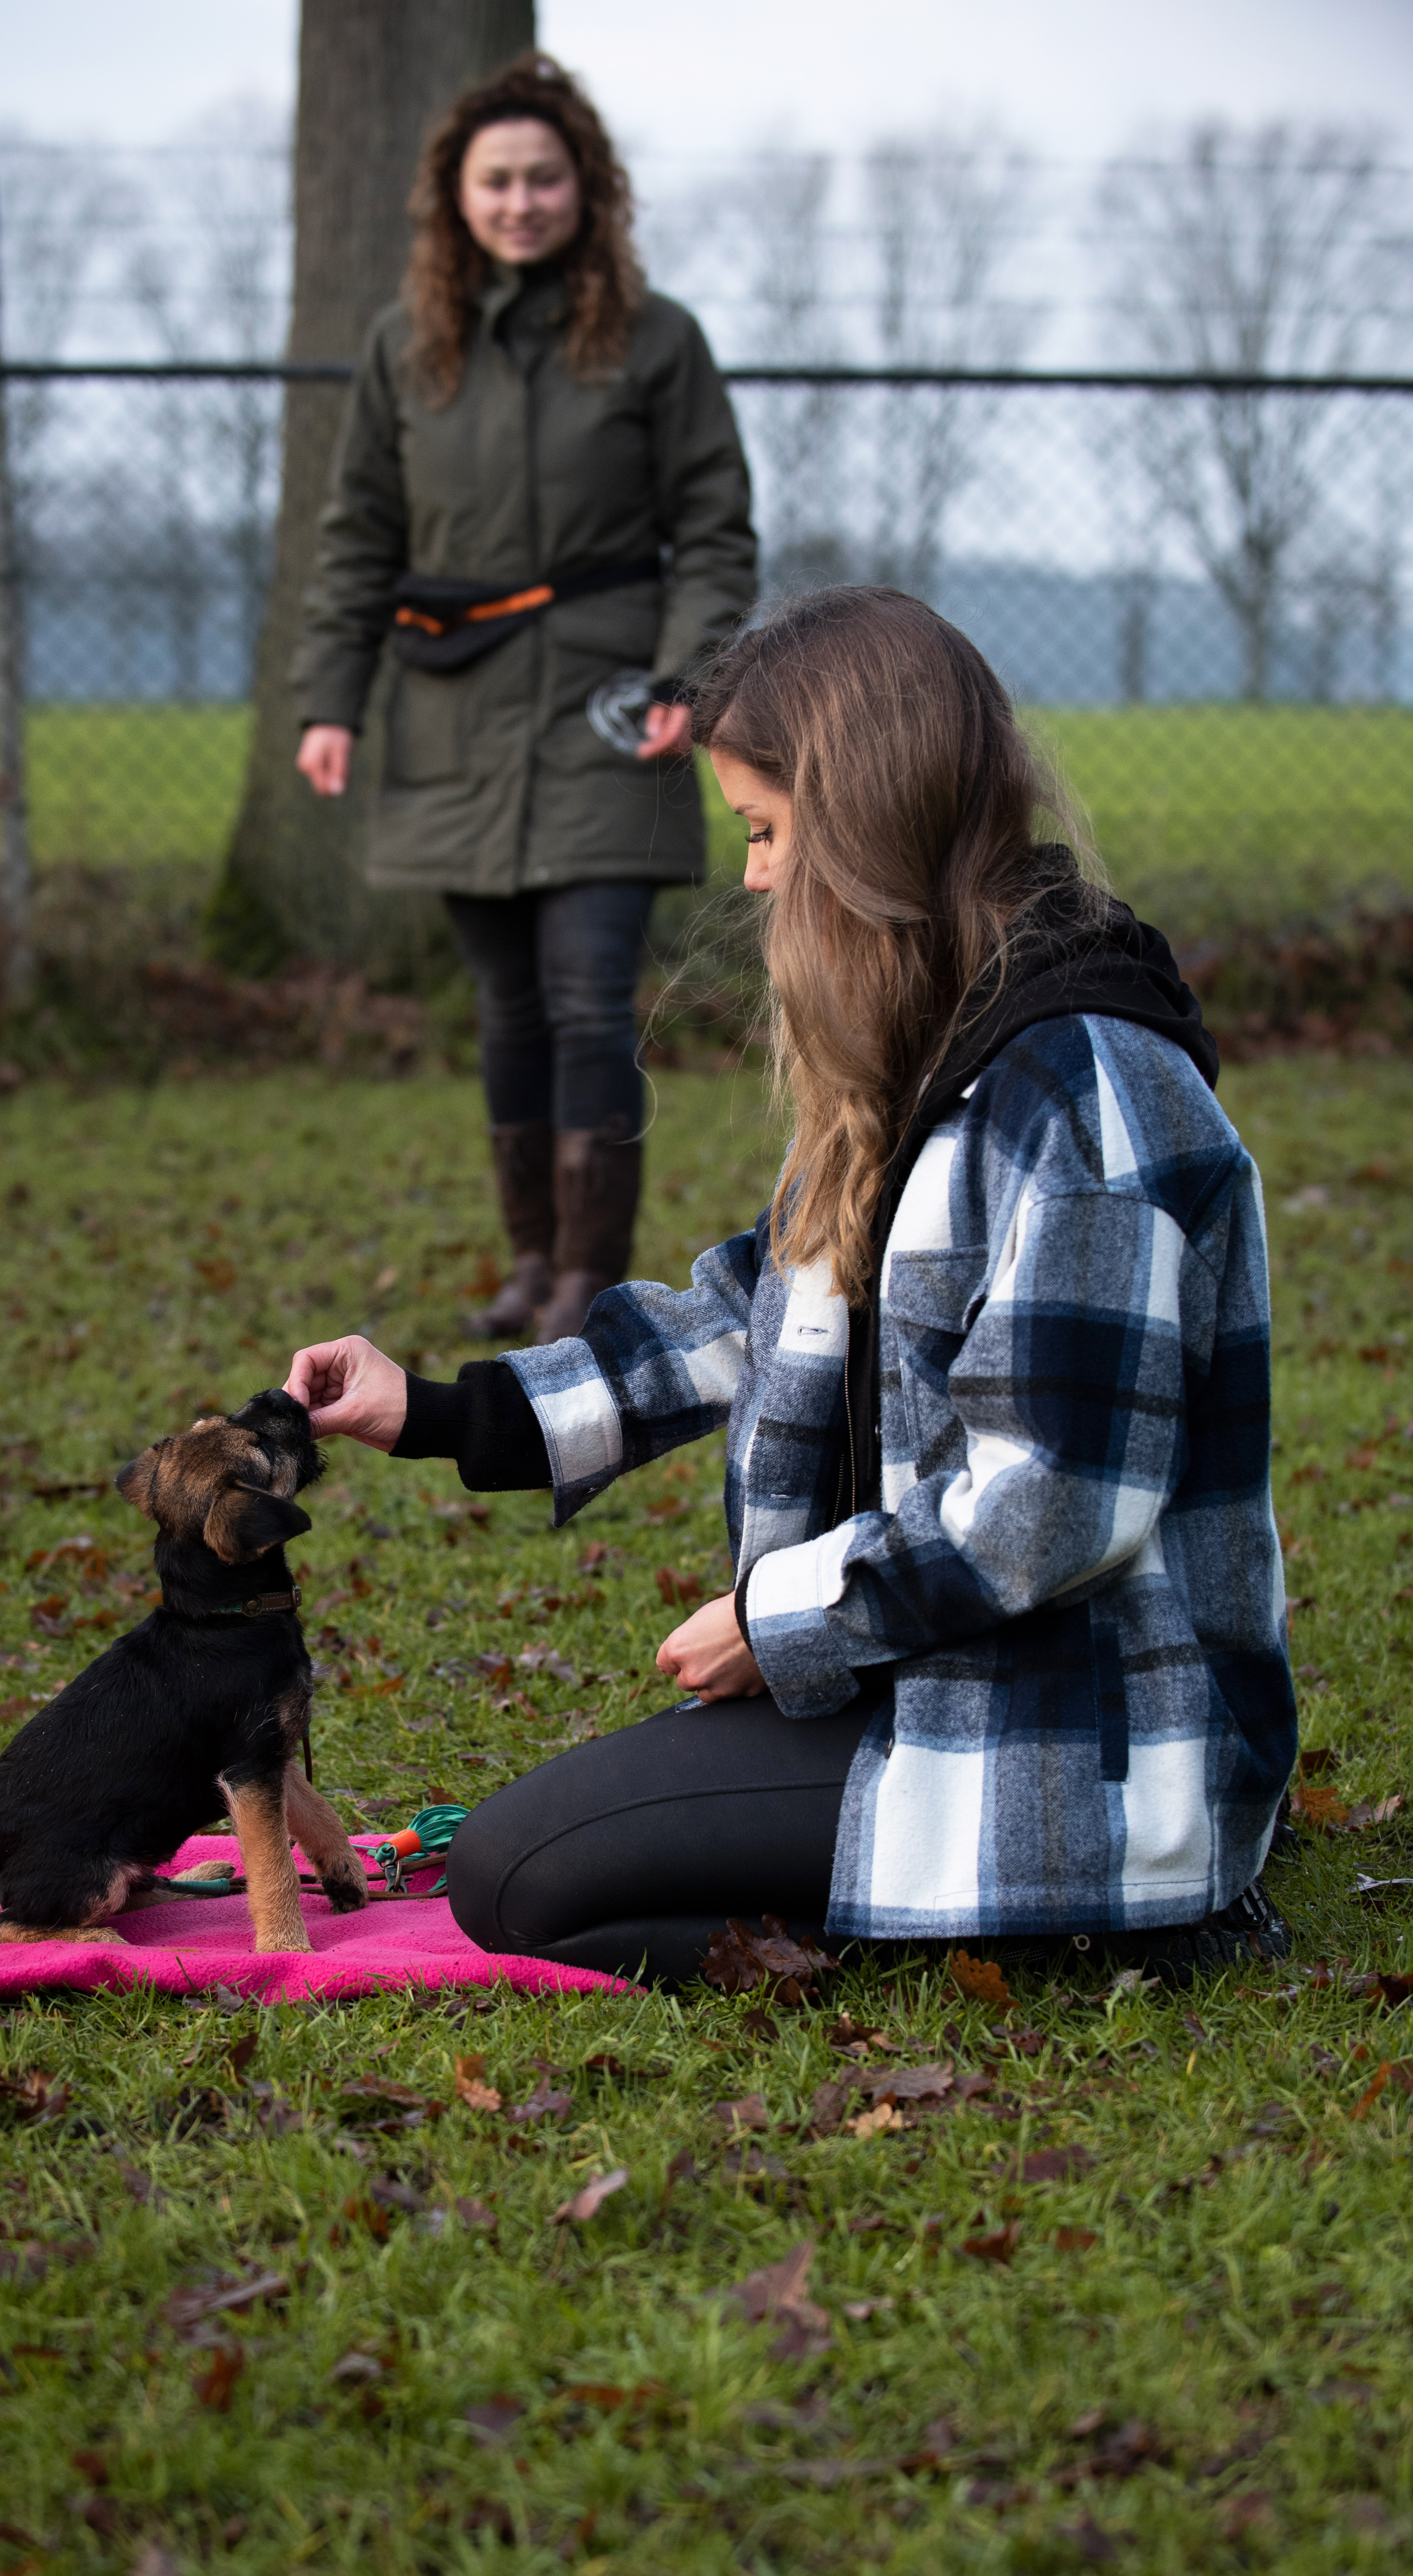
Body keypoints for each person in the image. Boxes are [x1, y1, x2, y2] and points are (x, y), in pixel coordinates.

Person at [287, 587, 1297, 1990]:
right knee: (520, 1868)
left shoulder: (1087, 1096)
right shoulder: (937, 1055)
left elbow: (1054, 1498)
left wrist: (784, 1621)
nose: (753, 879)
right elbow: (745, 1315)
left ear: (865, 821)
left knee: (520, 1873)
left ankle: (1061, 1922)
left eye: (765, 832)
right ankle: (944, 1915)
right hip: (936, 1688)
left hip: (1085, 1753)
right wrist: (445, 1414)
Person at [290, 53, 757, 1345]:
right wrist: (328, 701)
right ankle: (528, 1258)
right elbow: (356, 540)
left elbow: (714, 529)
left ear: (584, 189)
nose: (519, 201)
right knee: (505, 1003)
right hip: (452, 711)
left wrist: (684, 675)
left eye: (542, 177)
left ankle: (587, 1280)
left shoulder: (658, 342)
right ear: (454, 197)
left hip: (615, 708)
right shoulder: (405, 348)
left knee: (589, 994)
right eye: (493, 180)